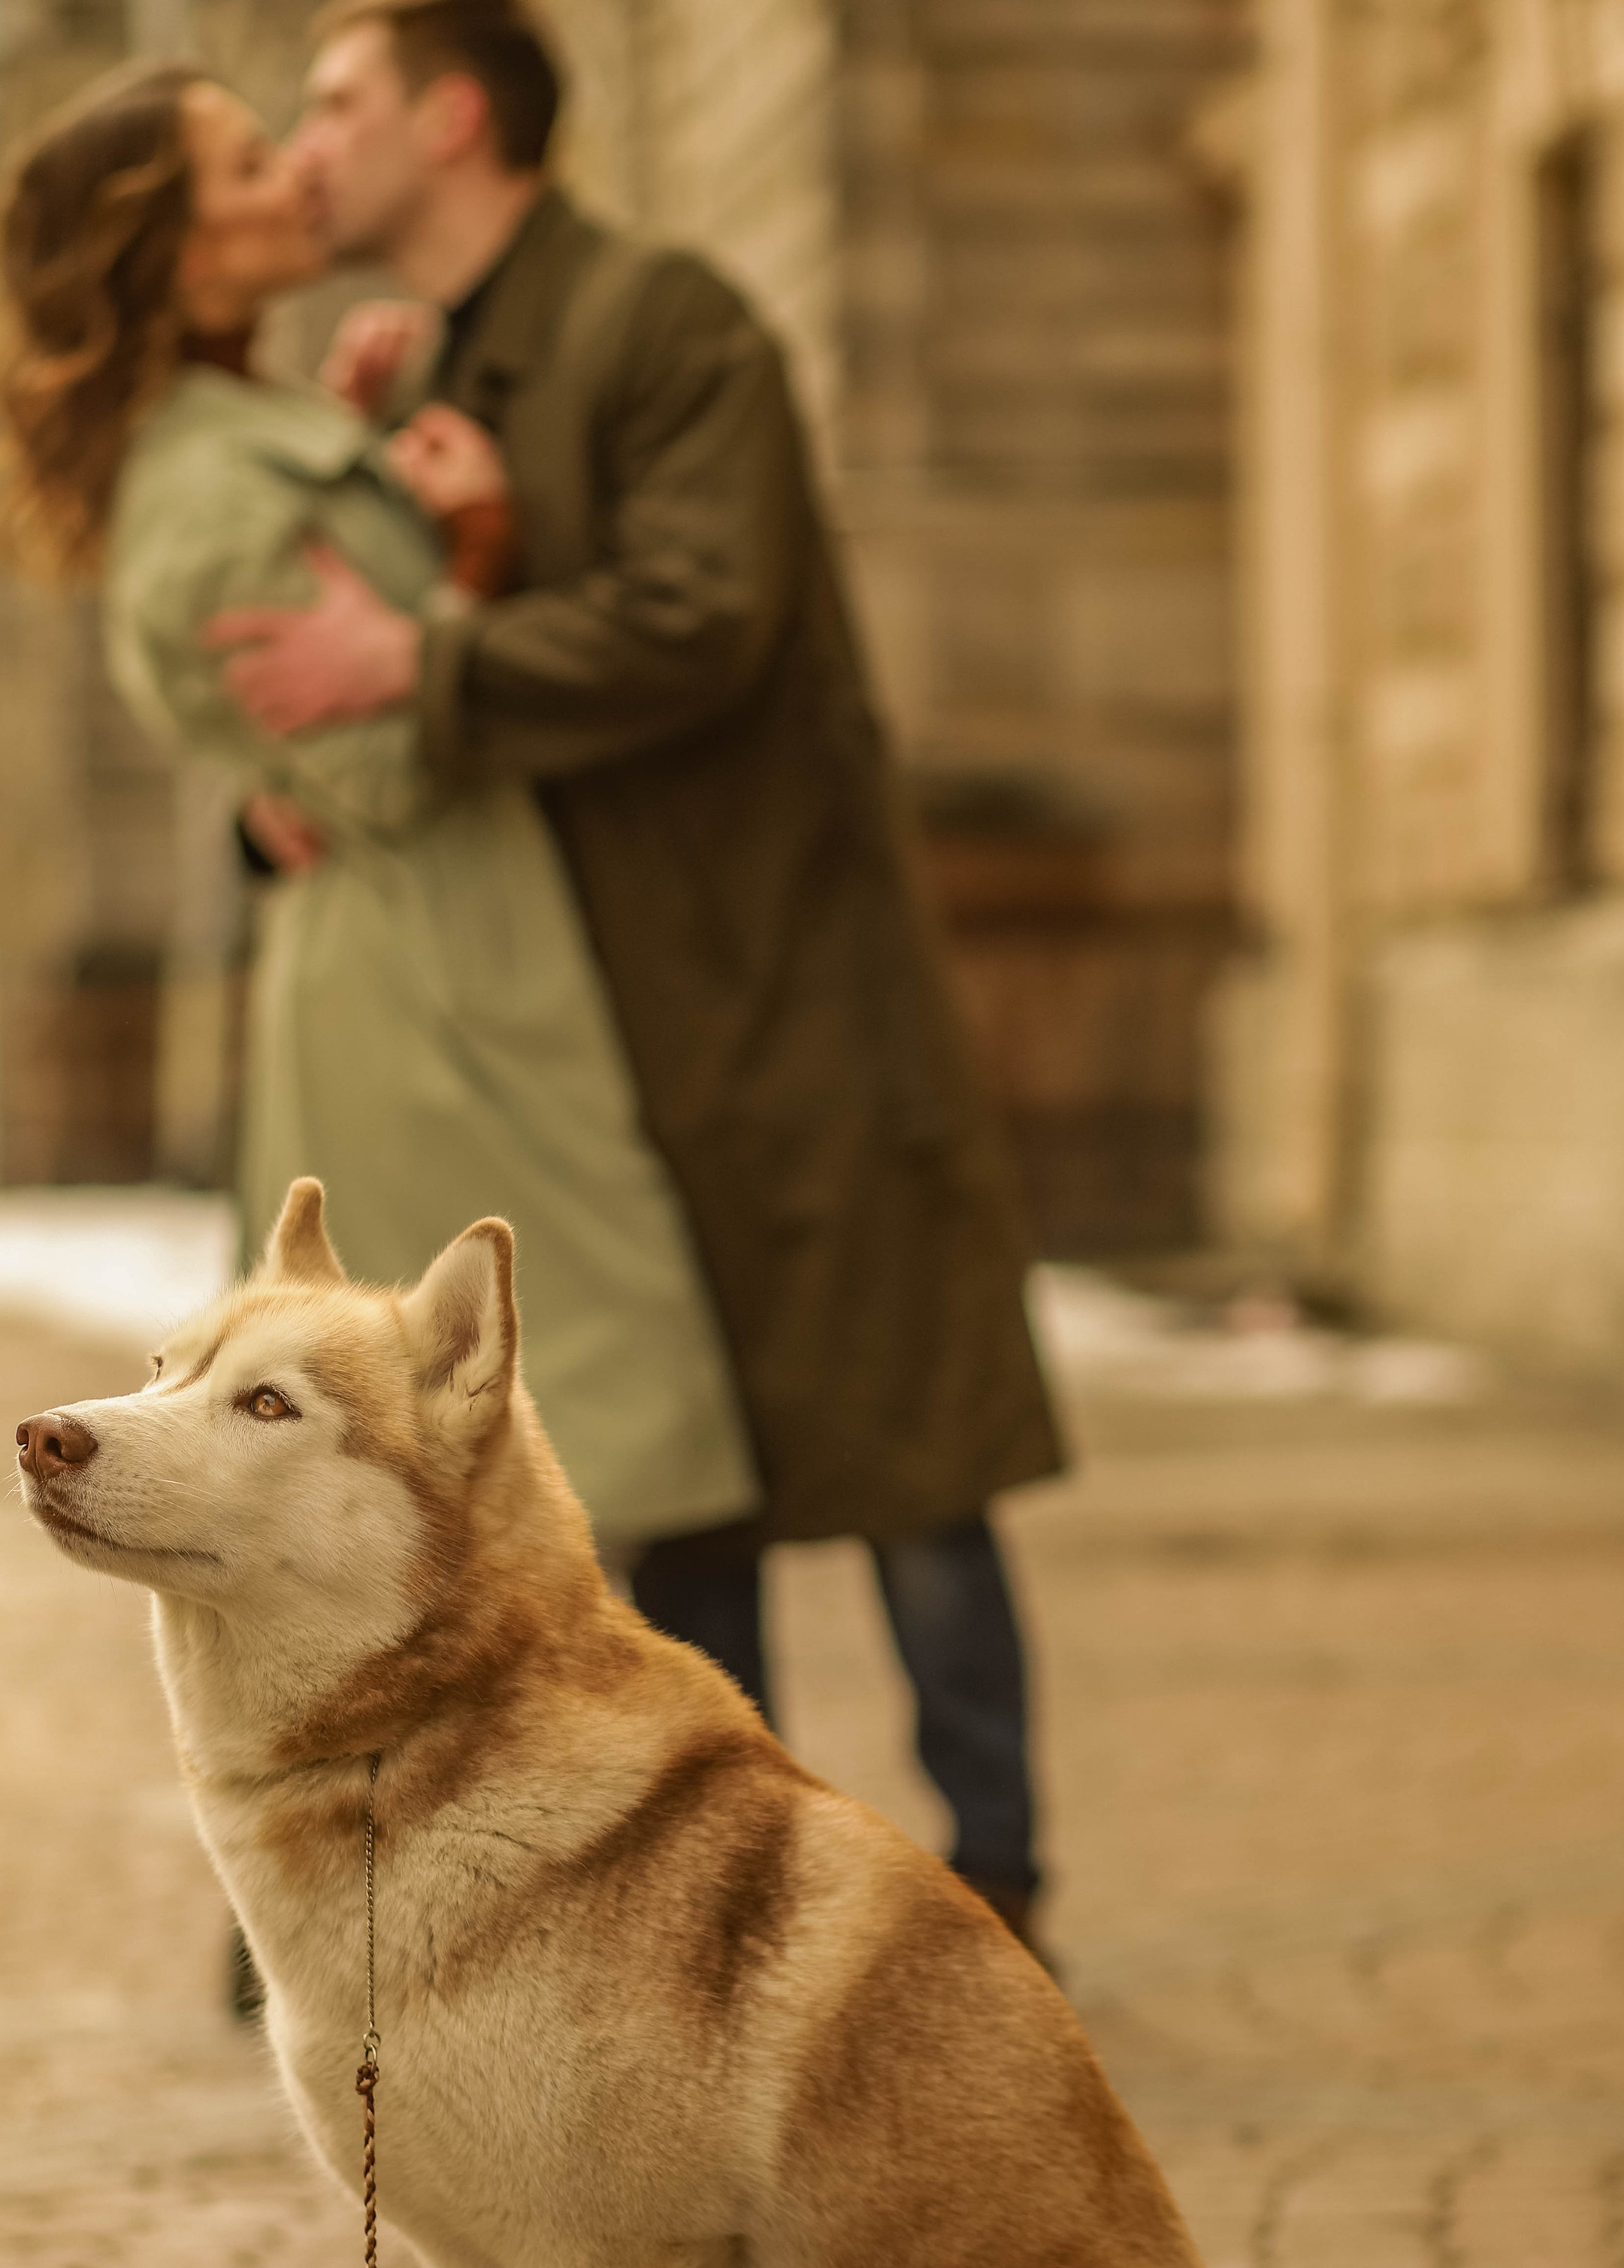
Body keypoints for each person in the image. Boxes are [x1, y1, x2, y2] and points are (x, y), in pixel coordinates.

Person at [208, 0, 1068, 1955]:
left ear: (451, 116)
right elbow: (365, 667)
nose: (305, 140)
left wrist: (413, 669)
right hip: (572, 1014)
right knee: (672, 1475)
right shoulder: (413, 361)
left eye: (338, 102)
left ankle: (1004, 1878)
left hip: (772, 977)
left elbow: (705, 614)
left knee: (905, 1449)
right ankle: (713, 1884)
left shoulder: (664, 320)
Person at [0, 58, 760, 1570]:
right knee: (596, 1470)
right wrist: (470, 550)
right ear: (176, 250)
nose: (298, 175)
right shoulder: (207, 497)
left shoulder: (257, 426)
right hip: (431, 1004)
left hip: (459, 955)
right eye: (250, 166)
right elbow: (387, 765)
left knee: (612, 1462)